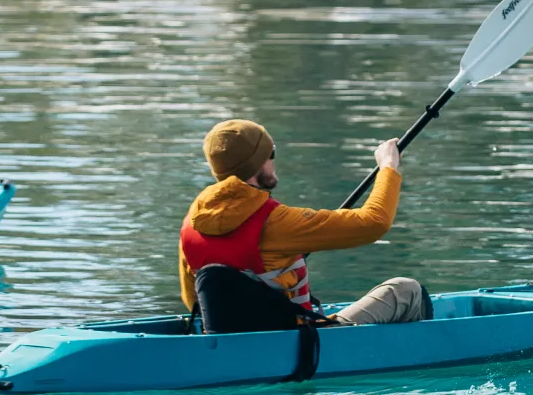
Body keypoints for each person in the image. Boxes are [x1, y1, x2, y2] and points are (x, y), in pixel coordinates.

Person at [178, 119, 429, 328]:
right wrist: (388, 166)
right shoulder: (277, 221)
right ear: (256, 164)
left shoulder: (192, 223)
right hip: (297, 344)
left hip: (227, 345)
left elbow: (195, 302)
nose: (273, 160)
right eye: (271, 153)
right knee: (406, 290)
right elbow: (374, 222)